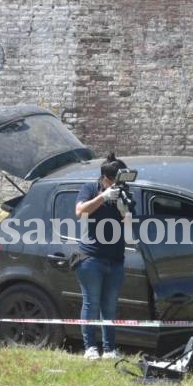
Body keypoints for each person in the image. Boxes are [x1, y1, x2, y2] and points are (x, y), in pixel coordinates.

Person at [74, 153, 129, 360]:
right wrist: (103, 197)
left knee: (110, 306)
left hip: (115, 259)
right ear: (108, 178)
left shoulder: (123, 192)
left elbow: (128, 223)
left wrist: (124, 209)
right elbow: (80, 211)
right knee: (91, 303)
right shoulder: (90, 188)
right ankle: (90, 348)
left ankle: (109, 349)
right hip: (91, 258)